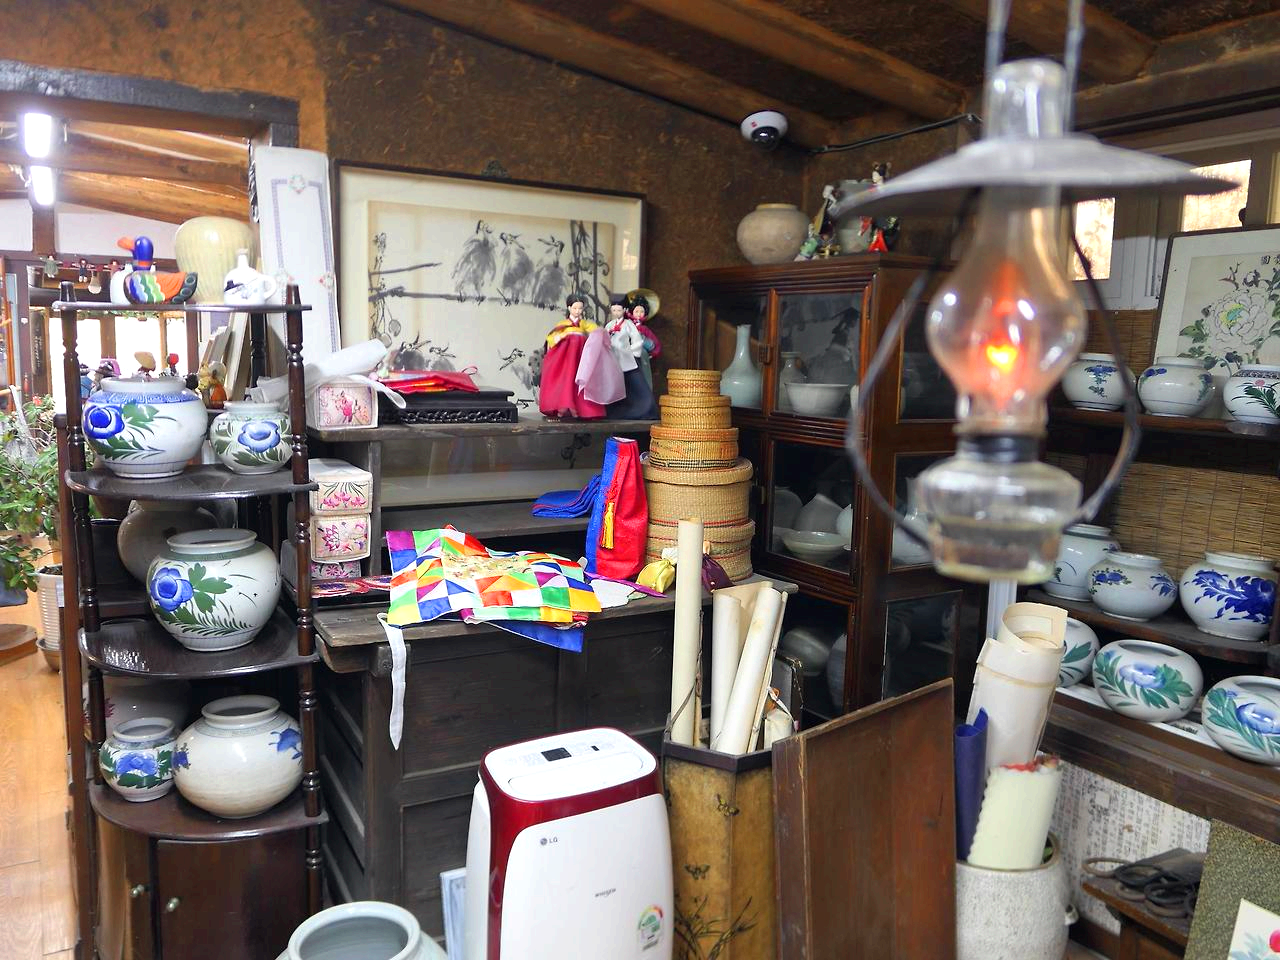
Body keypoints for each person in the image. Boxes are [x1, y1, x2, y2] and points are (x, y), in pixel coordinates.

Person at [538, 295, 606, 419]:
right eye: (575, 308)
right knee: (565, 380)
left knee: (579, 380)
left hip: (579, 356)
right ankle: (563, 406)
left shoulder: (584, 324)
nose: (577, 311)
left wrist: (601, 332)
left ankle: (580, 408)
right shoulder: (563, 324)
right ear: (569, 308)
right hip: (565, 357)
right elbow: (552, 338)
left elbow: (596, 330)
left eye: (580, 308)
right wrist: (563, 335)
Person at [605, 294, 658, 420]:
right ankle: (613, 411)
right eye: (614, 310)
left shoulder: (628, 325)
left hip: (626, 358)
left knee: (634, 384)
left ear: (624, 310)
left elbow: (637, 341)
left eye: (619, 310)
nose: (616, 313)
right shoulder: (609, 325)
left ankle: (642, 410)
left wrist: (632, 353)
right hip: (613, 359)